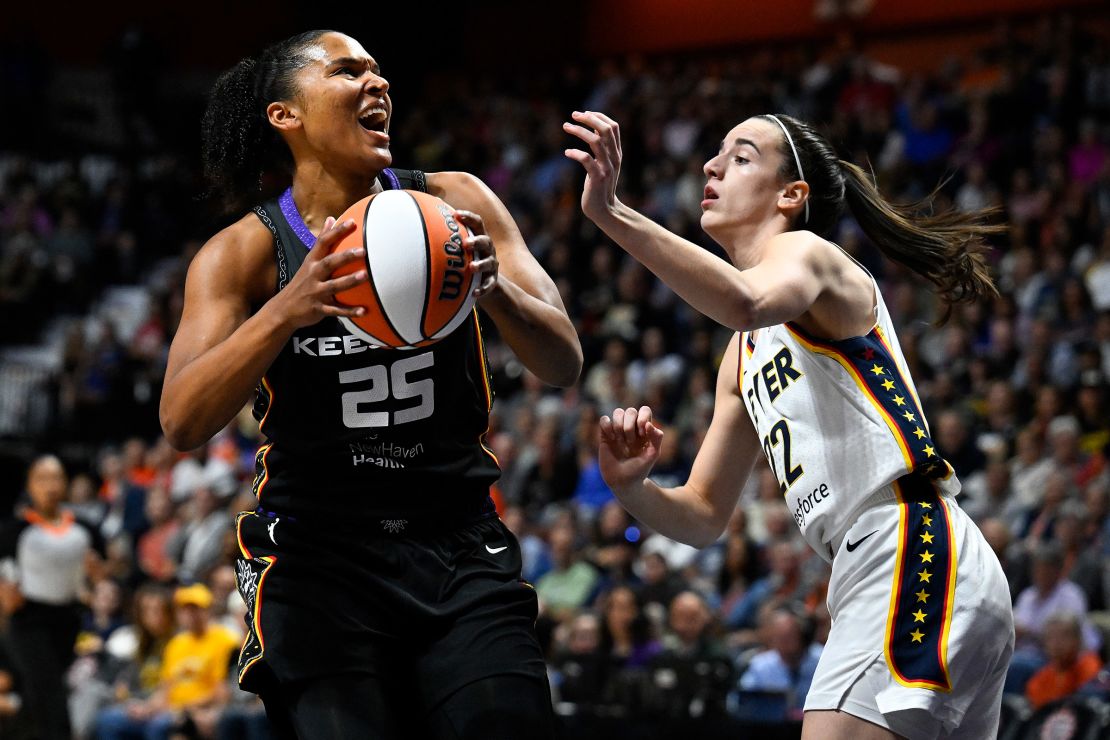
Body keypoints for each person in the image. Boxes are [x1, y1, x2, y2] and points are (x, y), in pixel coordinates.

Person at [160, 30, 581, 740]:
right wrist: (289, 309)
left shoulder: (455, 202)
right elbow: (181, 420)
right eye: (348, 70)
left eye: (381, 72)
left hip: (456, 544)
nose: (377, 83)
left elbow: (563, 359)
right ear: (284, 114)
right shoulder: (245, 252)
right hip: (320, 562)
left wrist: (495, 290)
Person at [564, 110, 1014, 739]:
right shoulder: (741, 354)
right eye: (717, 153)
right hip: (890, 564)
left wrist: (612, 212)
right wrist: (632, 488)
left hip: (908, 544)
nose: (711, 166)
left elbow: (743, 300)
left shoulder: (805, 253)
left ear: (791, 194)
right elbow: (700, 515)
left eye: (740, 156)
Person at [0, 455, 102, 740]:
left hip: (69, 619)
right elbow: (5, 577)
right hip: (28, 622)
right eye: (42, 479)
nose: (50, 486)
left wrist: (98, 578)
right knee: (50, 692)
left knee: (41, 693)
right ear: (30, 486)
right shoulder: (14, 531)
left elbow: (105, 573)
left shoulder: (85, 528)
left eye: (56, 478)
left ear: (66, 483)